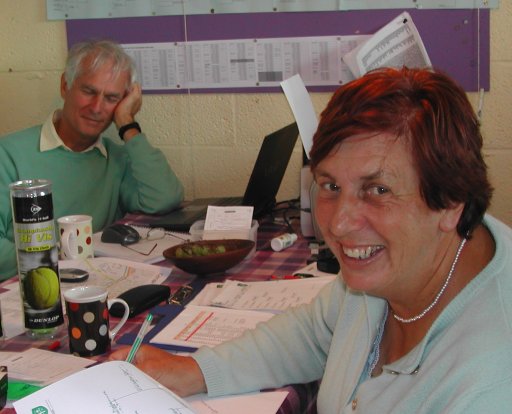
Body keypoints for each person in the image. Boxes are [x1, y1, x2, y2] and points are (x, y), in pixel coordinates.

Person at [111, 67, 512, 413]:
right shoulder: (395, 273)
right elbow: (314, 333)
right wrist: (194, 371)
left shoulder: (490, 383)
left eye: (378, 190)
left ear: (450, 203)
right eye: (330, 184)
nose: (338, 223)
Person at [0, 39, 184, 280]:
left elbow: (165, 198)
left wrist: (128, 123)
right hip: (29, 292)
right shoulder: (9, 153)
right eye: (88, 91)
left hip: (98, 283)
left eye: (111, 98)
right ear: (65, 86)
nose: (97, 107)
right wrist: (61, 266)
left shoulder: (116, 158)